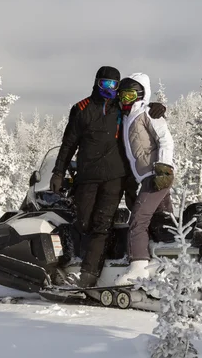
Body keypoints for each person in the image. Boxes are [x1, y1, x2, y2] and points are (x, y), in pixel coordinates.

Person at [50, 66, 166, 288]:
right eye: (106, 84)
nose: (110, 89)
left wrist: (155, 107)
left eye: (114, 85)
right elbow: (68, 144)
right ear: (97, 83)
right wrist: (58, 171)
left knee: (102, 225)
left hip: (115, 177)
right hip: (87, 177)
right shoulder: (82, 109)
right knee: (83, 222)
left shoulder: (120, 108)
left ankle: (89, 276)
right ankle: (76, 263)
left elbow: (140, 108)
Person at [114, 72, 174, 286]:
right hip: (146, 177)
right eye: (123, 95)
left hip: (156, 175)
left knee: (138, 220)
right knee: (164, 220)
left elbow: (165, 140)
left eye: (130, 95)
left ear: (141, 95)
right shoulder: (127, 115)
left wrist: (164, 169)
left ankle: (138, 266)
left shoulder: (148, 113)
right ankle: (169, 262)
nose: (125, 99)